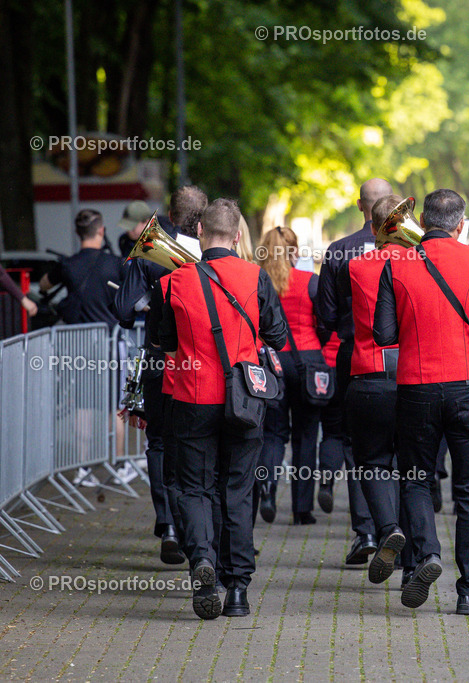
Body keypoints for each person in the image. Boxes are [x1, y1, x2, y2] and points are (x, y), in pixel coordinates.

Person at [373, 188, 469, 615]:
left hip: (417, 386)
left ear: (422, 220)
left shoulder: (395, 265)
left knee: (417, 478)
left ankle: (427, 554)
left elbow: (384, 335)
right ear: (460, 225)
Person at [159, 198, 288, 620]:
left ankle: (201, 562)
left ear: (198, 232)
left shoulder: (174, 281)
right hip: (244, 401)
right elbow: (278, 336)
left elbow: (163, 340)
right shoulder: (256, 277)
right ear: (236, 236)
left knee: (193, 487)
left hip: (192, 398)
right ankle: (237, 590)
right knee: (237, 489)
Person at [114, 186, 206, 565]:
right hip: (203, 361)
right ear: (202, 223)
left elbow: (121, 310)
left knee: (160, 442)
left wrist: (150, 302)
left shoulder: (151, 252)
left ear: (170, 214)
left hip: (159, 359)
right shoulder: (212, 254)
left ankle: (168, 524)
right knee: (198, 443)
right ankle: (199, 532)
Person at [315, 178, 393, 565]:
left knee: (356, 445)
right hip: (403, 358)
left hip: (355, 356)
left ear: (362, 205)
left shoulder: (339, 251)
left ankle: (364, 531)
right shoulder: (411, 252)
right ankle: (396, 529)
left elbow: (324, 317)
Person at [335, 193, 409, 584]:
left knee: (371, 462)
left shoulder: (357, 265)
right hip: (413, 374)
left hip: (367, 372)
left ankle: (386, 528)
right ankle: (411, 548)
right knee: (409, 465)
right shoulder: (418, 264)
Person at [255, 226, 328, 526]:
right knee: (306, 437)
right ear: (295, 251)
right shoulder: (311, 282)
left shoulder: (257, 282)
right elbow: (324, 323)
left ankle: (268, 488)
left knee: (273, 434)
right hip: (308, 362)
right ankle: (302, 509)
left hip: (271, 363)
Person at [41, 209, 126, 329]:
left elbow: (44, 284)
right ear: (101, 231)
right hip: (109, 337)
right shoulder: (115, 263)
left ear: (77, 232)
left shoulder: (67, 264)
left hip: (76, 340)